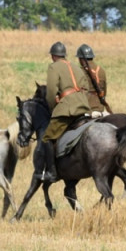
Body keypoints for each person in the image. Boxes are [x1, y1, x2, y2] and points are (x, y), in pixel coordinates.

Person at [39, 41, 94, 182]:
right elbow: (86, 88)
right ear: (64, 55)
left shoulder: (53, 67)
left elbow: (51, 91)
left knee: (47, 138)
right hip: (83, 107)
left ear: (53, 56)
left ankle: (52, 172)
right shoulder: (76, 67)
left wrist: (53, 107)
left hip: (66, 110)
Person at [76, 44, 107, 116]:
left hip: (87, 109)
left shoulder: (80, 71)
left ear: (81, 59)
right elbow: (104, 91)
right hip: (100, 108)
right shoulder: (101, 70)